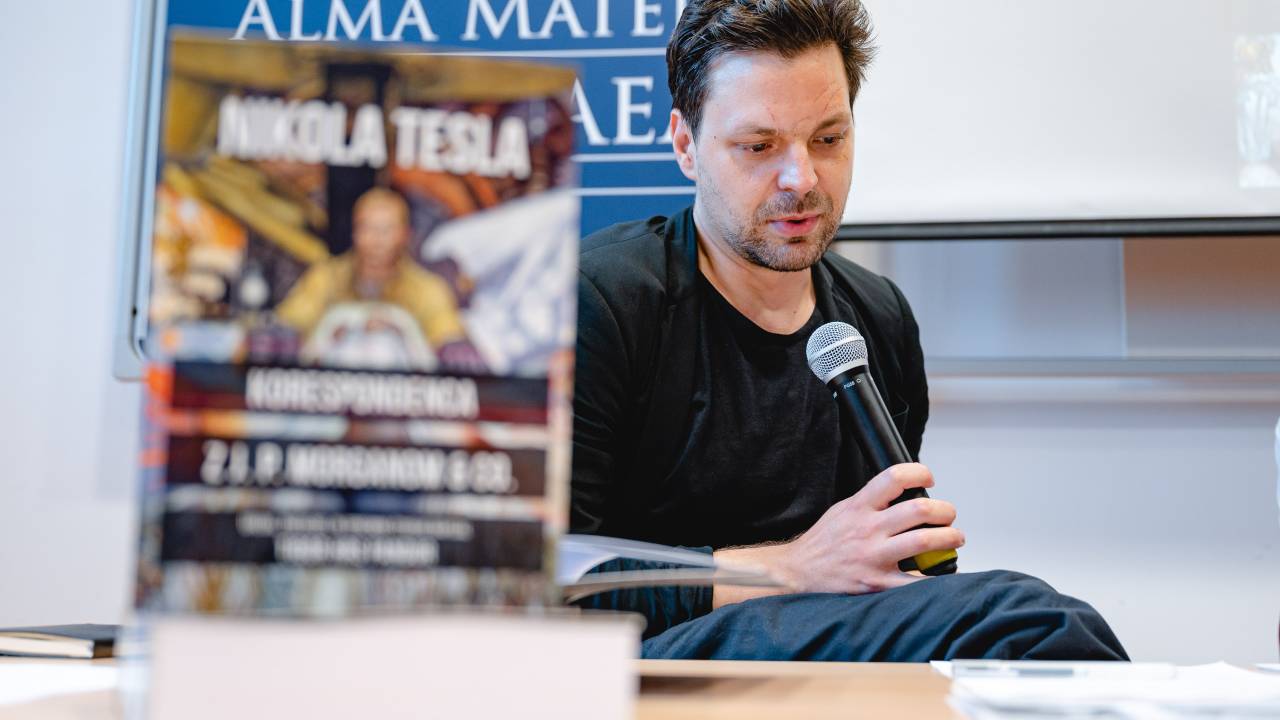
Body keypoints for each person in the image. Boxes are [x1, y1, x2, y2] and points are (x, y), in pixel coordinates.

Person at [571, 0, 1128, 661]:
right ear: (686, 145)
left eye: (829, 139)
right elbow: (543, 582)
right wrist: (789, 568)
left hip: (826, 655)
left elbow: (883, 571)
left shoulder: (877, 317)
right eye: (758, 147)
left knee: (1024, 634)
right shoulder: (599, 303)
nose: (801, 179)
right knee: (1029, 621)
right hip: (644, 662)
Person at [274, 187, 484, 371]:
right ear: (354, 232)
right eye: (367, 228)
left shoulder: (426, 288)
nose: (376, 241)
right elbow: (289, 326)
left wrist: (401, 331)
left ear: (405, 235)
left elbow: (448, 339)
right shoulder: (326, 277)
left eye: (386, 231)